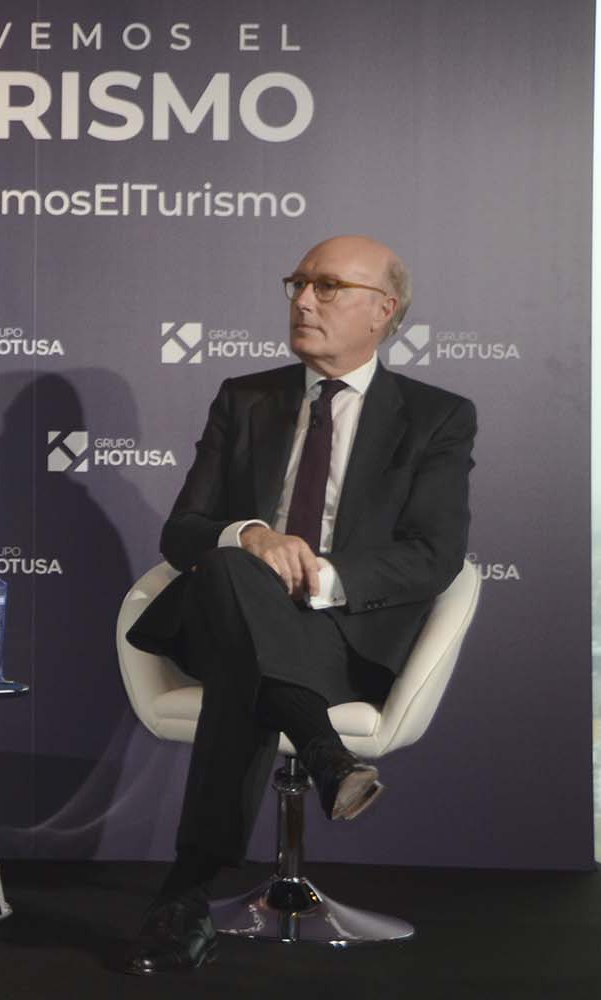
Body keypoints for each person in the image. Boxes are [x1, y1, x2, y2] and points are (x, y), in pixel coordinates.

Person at [122, 235, 475, 974]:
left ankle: (186, 894)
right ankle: (324, 752)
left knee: (247, 668)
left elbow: (433, 556)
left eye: (329, 287)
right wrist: (252, 535)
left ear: (384, 310)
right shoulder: (245, 398)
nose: (304, 301)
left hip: (343, 638)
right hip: (222, 613)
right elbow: (182, 531)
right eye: (299, 283)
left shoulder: (436, 416)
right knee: (230, 565)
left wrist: (320, 575)